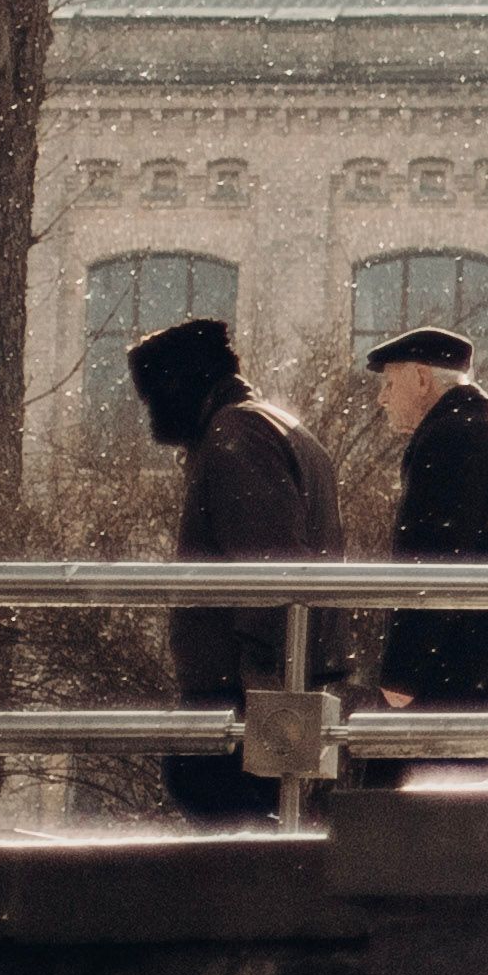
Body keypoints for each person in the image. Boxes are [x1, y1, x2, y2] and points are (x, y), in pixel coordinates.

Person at [128, 313, 342, 824]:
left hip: (241, 703)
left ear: (182, 384)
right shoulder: (270, 427)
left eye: (153, 395)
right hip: (272, 690)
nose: (149, 413)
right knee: (256, 853)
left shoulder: (236, 439)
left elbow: (270, 579)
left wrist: (262, 710)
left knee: (236, 854)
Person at [363, 327, 488, 710]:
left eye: (390, 383)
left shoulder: (449, 440)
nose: (382, 398)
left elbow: (432, 561)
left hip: (464, 679)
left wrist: (402, 674)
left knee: (425, 773)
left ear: (422, 379)